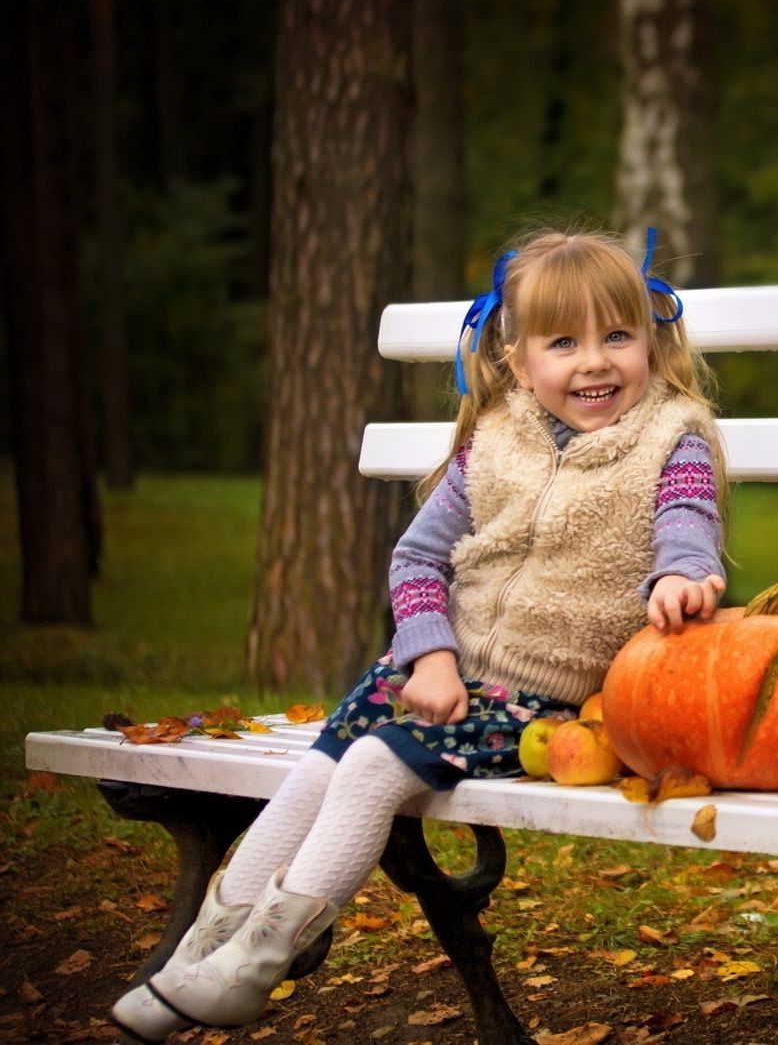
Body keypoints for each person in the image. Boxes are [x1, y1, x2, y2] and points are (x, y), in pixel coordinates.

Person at [111, 228, 727, 1041]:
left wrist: (684, 576)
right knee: (315, 771)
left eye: (618, 336)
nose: (595, 362)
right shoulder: (493, 443)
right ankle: (205, 952)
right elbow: (418, 557)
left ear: (650, 339)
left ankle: (256, 967)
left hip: (538, 693)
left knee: (369, 764)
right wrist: (430, 653)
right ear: (516, 357)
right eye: (564, 342)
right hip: (431, 669)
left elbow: (689, 520)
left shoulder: (671, 437)